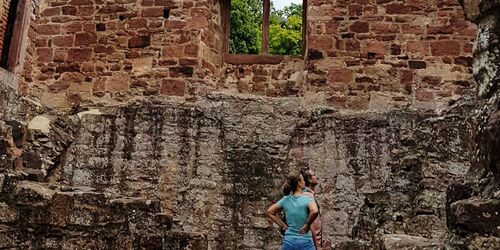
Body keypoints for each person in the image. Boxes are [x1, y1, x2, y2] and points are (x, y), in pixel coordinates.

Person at [267, 172, 319, 250]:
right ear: (299, 183)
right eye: (303, 180)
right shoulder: (308, 199)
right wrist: (307, 225)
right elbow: (314, 211)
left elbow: (270, 211)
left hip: (288, 241)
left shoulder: (285, 199)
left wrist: (283, 225)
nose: (304, 181)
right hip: (304, 240)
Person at [300, 167, 325, 250]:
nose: (316, 177)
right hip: (311, 242)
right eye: (314, 175)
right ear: (309, 180)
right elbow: (311, 223)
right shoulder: (307, 196)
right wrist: (317, 246)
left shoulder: (309, 194)